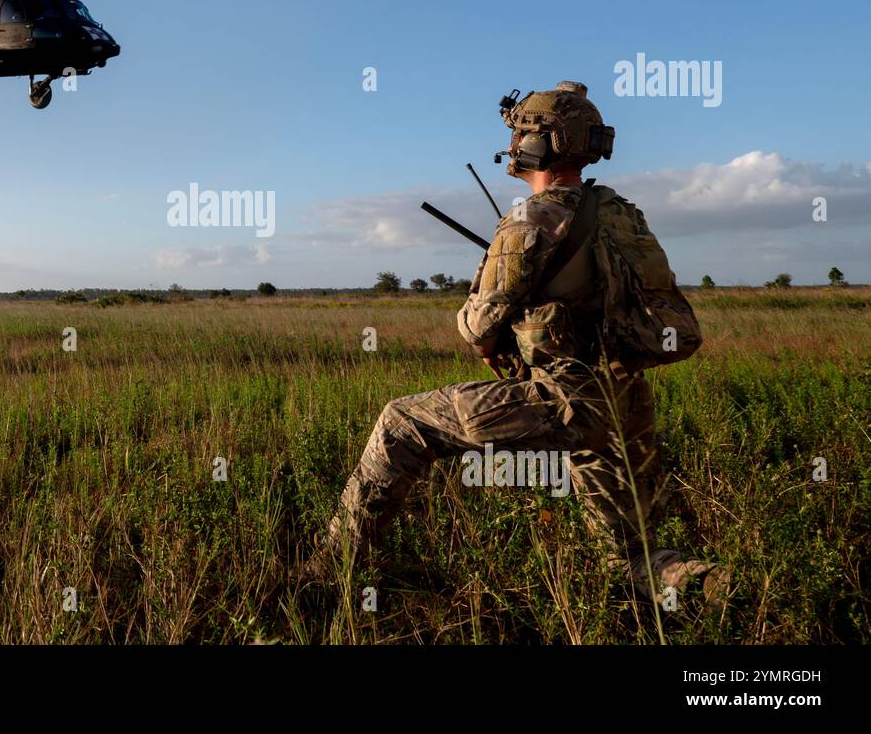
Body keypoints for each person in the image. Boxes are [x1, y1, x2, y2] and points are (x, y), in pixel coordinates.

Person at [304, 81, 724, 607]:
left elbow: (478, 328)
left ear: (539, 143)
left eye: (520, 133)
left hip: (564, 402)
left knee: (401, 423)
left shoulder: (530, 218)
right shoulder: (622, 215)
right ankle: (716, 587)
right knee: (630, 557)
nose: (513, 144)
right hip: (624, 401)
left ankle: (329, 572)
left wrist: (488, 312)